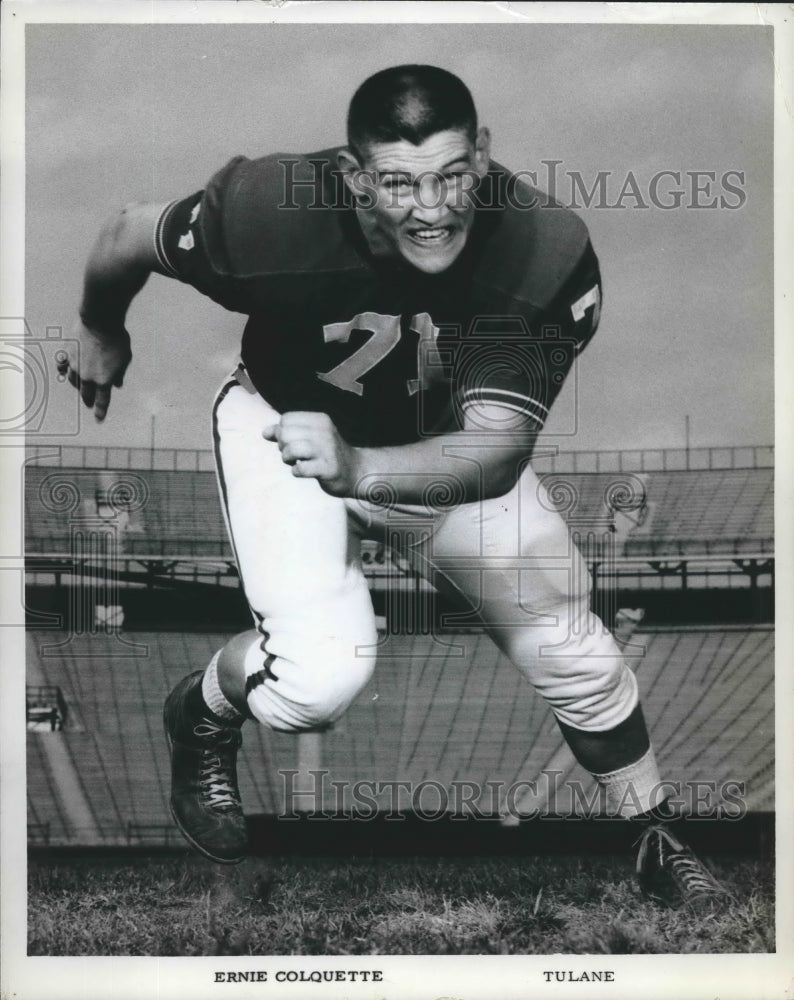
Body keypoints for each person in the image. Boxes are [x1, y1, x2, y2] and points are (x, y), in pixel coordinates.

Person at [63, 65, 729, 908]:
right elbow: (129, 232)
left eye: (452, 175)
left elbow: (495, 448)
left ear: (482, 157)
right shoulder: (272, 212)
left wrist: (366, 470)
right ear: (353, 177)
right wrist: (98, 324)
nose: (433, 207)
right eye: (400, 182)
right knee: (317, 683)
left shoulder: (538, 251)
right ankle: (202, 710)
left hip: (435, 454)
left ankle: (652, 830)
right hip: (285, 431)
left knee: (573, 645)